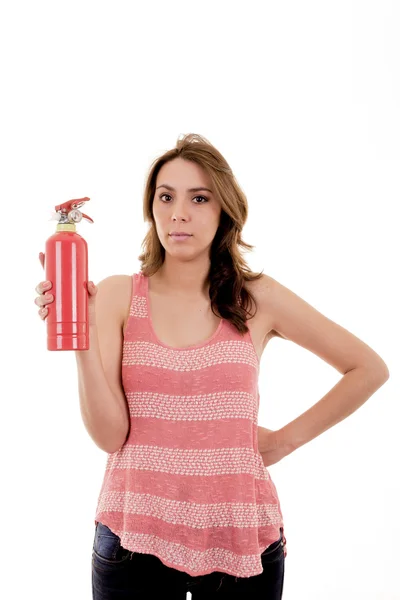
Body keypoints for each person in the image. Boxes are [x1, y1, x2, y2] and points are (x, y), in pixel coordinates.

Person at [34, 133, 389, 599]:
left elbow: (367, 367)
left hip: (241, 541)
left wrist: (281, 442)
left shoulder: (257, 297)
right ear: (152, 209)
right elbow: (109, 436)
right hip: (132, 537)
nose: (179, 212)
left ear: (224, 209)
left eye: (199, 198)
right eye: (166, 196)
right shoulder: (120, 294)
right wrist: (78, 335)